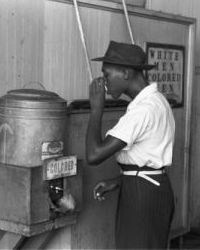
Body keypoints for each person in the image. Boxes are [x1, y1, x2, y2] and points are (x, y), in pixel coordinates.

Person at [86, 40, 175, 249]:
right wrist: (120, 180)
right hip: (149, 187)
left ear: (126, 73)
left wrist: (96, 109)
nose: (104, 82)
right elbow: (148, 159)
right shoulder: (156, 101)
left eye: (107, 74)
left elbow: (94, 155)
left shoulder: (143, 110)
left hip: (143, 195)